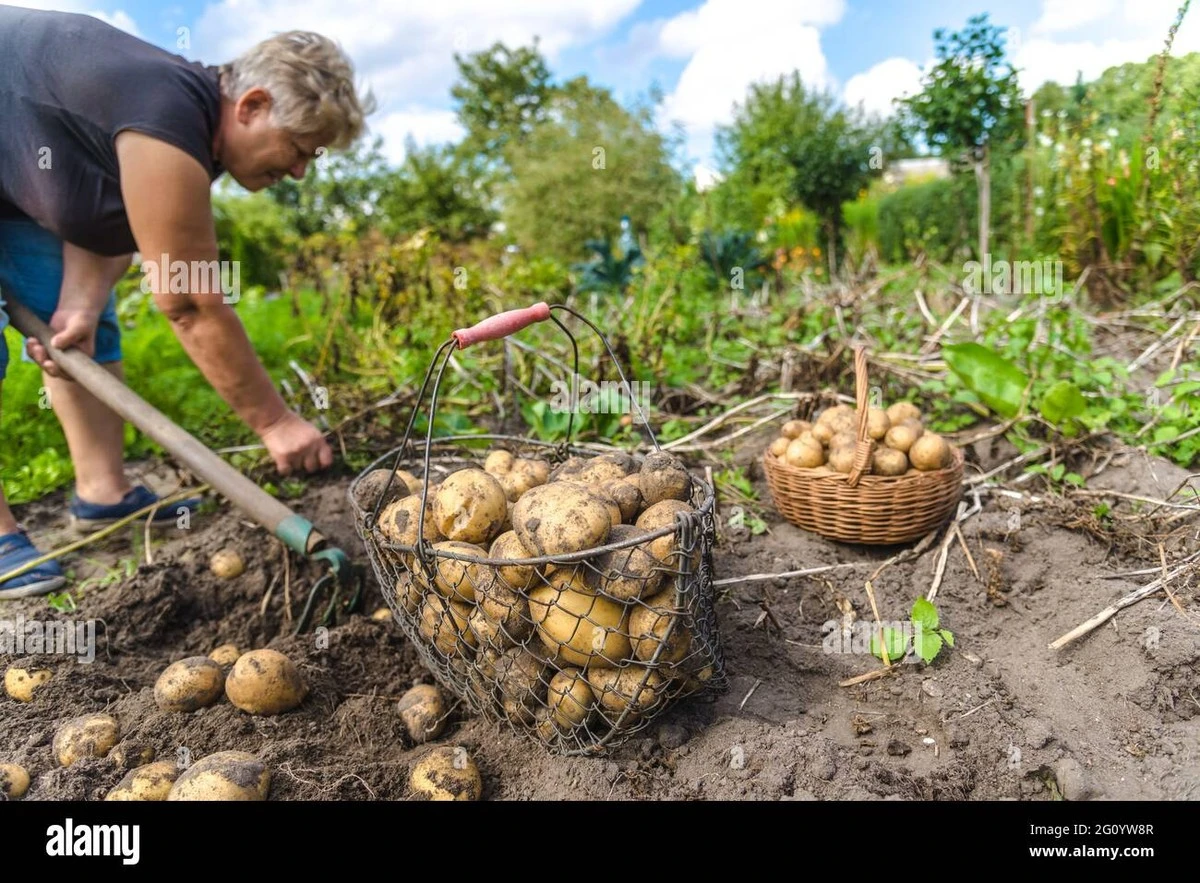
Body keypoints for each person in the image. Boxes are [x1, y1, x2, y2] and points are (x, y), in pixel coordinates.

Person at [0, 6, 374, 596]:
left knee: (80, 328)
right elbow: (189, 302)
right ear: (251, 106)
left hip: (17, 167)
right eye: (300, 148)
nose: (301, 171)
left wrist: (81, 300)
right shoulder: (166, 116)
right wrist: (275, 422)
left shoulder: (183, 123)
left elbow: (105, 214)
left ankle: (104, 495)